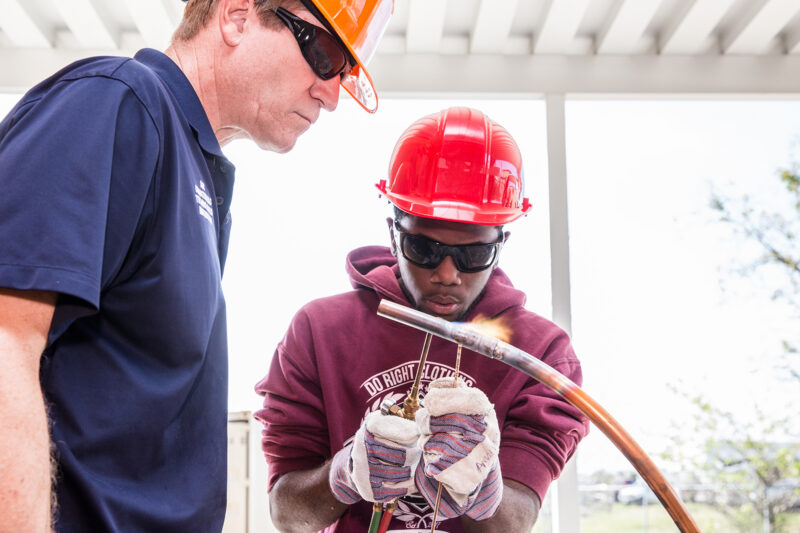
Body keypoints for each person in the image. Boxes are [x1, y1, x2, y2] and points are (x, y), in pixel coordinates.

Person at [0, 0, 393, 530]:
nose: (330, 95)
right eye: (325, 55)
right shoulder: (117, 103)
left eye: (344, 76)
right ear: (237, 15)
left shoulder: (198, 175)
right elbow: (6, 338)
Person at [255, 107, 590, 532]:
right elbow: (288, 514)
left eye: (473, 255)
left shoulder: (541, 354)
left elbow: (515, 521)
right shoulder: (320, 332)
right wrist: (342, 475)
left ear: (501, 243)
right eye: (424, 249)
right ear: (394, 232)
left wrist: (482, 491)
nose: (447, 274)